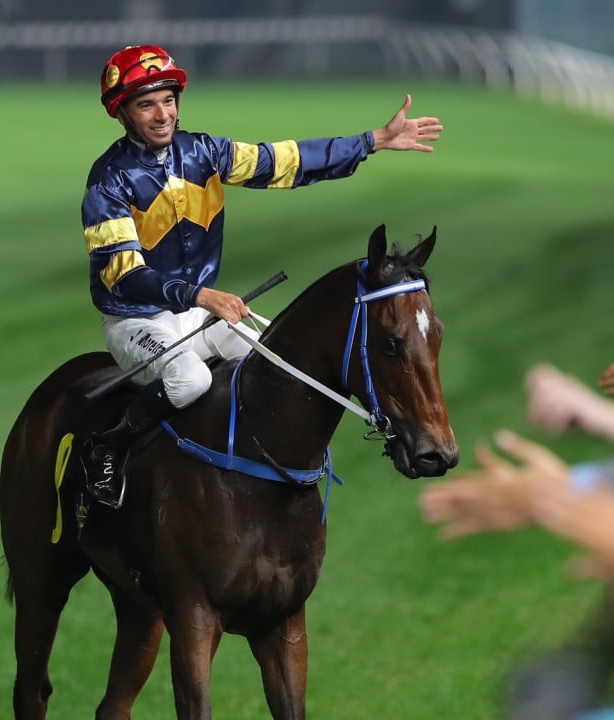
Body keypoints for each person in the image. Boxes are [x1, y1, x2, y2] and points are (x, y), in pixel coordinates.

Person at [79, 45, 443, 507]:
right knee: (190, 380)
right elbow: (124, 275)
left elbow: (284, 161)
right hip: (137, 320)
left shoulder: (203, 152)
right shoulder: (108, 180)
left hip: (199, 314)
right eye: (146, 105)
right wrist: (201, 295)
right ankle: (109, 445)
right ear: (122, 113)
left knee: (279, 363)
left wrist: (371, 141)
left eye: (168, 100)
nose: (162, 114)